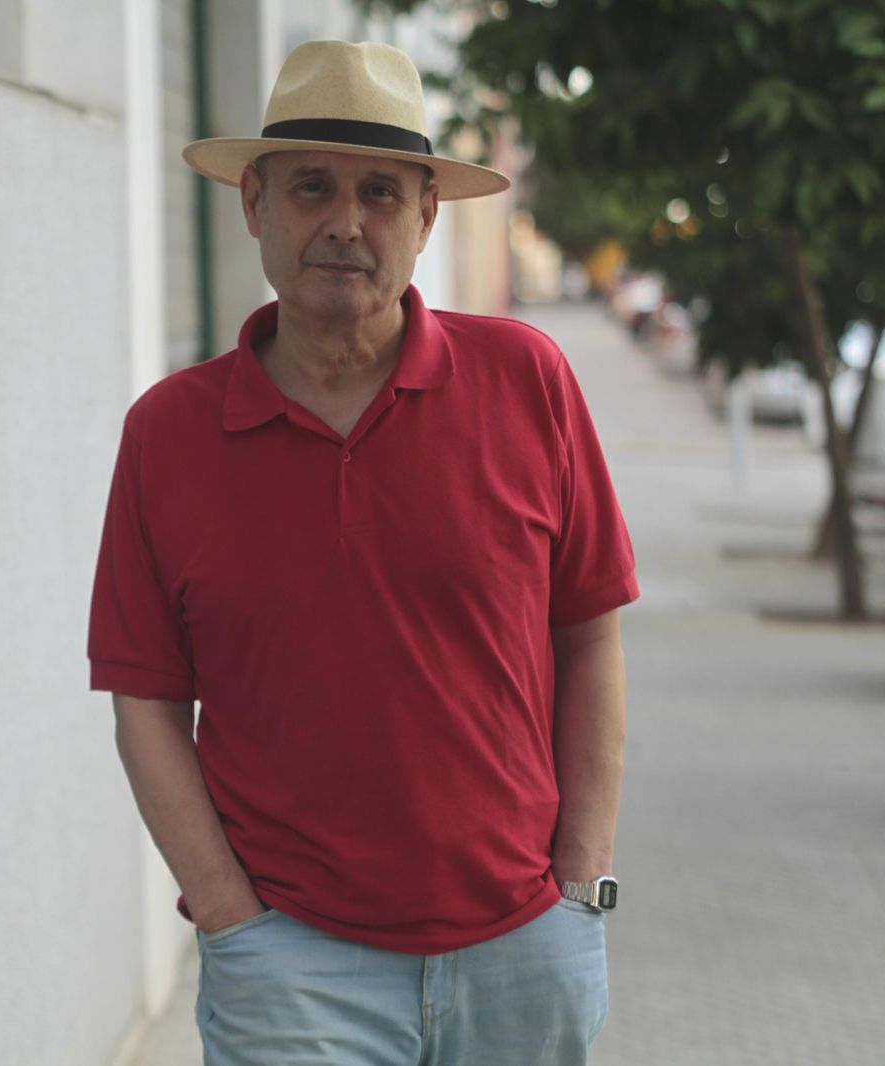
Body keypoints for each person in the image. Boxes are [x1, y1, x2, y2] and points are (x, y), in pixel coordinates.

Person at [88, 39, 637, 1066]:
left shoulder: (528, 378)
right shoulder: (167, 432)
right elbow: (143, 702)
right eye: (311, 188)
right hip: (294, 968)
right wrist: (227, 915)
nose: (344, 222)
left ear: (427, 214)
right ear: (254, 203)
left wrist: (579, 879)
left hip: (522, 949)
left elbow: (590, 639)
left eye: (379, 191)